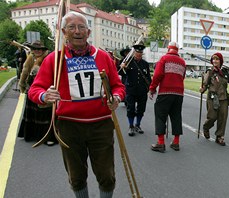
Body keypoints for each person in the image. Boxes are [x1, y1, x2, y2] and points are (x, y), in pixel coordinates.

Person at [28, 11, 125, 198]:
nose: (77, 31)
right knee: (76, 175)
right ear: (64, 32)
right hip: (69, 125)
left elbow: (118, 86)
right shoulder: (54, 60)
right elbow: (35, 89)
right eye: (72, 27)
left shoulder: (103, 57)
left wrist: (117, 98)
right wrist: (44, 95)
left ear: (88, 32)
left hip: (101, 124)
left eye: (81, 27)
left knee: (107, 175)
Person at [149, 41, 186, 153]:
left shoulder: (164, 59)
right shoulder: (183, 62)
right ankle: (176, 142)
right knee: (176, 116)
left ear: (168, 48)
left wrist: (152, 88)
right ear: (177, 50)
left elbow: (157, 75)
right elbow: (182, 76)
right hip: (179, 93)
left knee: (160, 115)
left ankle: (160, 143)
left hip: (165, 91)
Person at [18, 40, 57, 146]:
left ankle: (50, 137)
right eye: (35, 49)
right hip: (32, 89)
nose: (37, 51)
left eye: (39, 49)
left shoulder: (49, 59)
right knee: (32, 114)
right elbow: (25, 72)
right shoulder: (30, 58)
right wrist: (22, 85)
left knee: (45, 115)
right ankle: (33, 135)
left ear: (43, 50)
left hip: (45, 90)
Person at [199, 52, 229, 146]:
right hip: (212, 98)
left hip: (224, 98)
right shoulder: (210, 71)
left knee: (222, 118)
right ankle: (206, 127)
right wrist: (202, 89)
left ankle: (219, 137)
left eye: (217, 59)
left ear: (221, 61)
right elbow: (205, 84)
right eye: (213, 59)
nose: (215, 61)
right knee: (212, 117)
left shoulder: (225, 72)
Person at [120, 41, 151, 136]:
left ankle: (138, 125)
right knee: (131, 109)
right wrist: (123, 67)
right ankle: (131, 126)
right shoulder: (128, 62)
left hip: (142, 90)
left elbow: (148, 77)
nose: (139, 54)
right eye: (137, 53)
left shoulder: (145, 64)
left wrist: (149, 88)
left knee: (141, 109)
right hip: (131, 90)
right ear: (134, 53)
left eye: (140, 53)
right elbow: (120, 73)